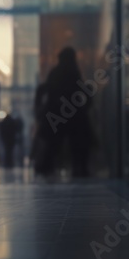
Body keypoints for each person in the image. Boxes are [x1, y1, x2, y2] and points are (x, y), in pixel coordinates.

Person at [34, 47, 92, 177]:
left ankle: (47, 167)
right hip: (70, 113)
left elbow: (44, 90)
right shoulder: (72, 71)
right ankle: (79, 168)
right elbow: (79, 89)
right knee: (76, 142)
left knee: (54, 143)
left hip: (59, 113)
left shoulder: (56, 72)